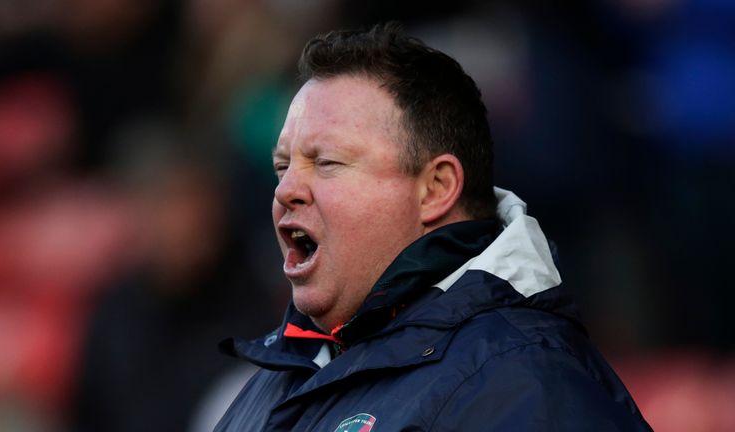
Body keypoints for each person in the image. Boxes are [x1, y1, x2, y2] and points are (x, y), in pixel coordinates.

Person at [214, 22, 652, 431]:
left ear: (436, 189)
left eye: (326, 163)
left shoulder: (527, 384)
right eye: (282, 166)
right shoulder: (277, 377)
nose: (286, 190)